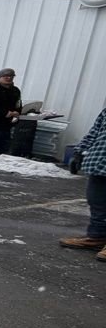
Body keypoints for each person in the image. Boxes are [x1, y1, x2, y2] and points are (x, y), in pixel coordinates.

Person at [59, 106, 106, 262]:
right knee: (96, 201)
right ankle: (96, 237)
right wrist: (79, 152)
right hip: (99, 161)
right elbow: (95, 132)